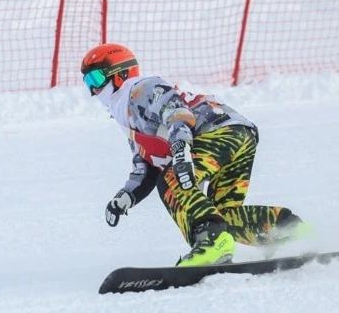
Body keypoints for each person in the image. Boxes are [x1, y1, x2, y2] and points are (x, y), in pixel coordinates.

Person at [81, 42, 312, 266]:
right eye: (87, 82)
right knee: (220, 214)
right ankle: (289, 230)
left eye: (96, 79)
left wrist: (181, 150)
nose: (93, 90)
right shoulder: (127, 115)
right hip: (239, 134)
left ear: (120, 74)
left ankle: (211, 242)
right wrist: (125, 197)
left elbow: (177, 113)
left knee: (173, 181)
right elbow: (146, 164)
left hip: (217, 131)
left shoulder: (140, 89)